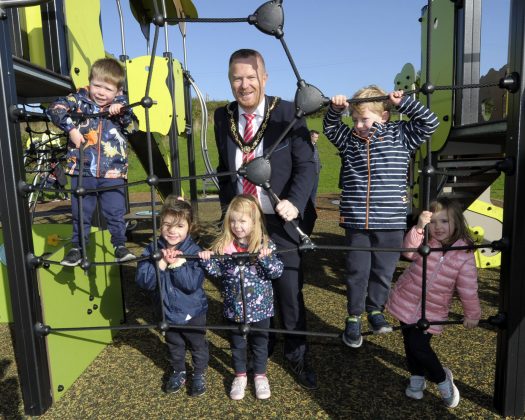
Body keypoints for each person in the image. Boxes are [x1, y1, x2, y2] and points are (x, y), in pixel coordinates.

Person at [213, 48, 318, 389]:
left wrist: (295, 202)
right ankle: (265, 340)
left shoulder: (288, 112)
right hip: (244, 220)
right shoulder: (222, 117)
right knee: (247, 285)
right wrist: (226, 213)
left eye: (250, 76)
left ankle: (298, 352)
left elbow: (306, 165)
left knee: (288, 289)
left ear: (265, 77)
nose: (243, 85)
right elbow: (224, 168)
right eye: (236, 78)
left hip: (281, 217)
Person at [323, 85, 439, 348]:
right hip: (357, 221)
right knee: (356, 270)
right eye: (355, 119)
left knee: (383, 271)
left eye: (365, 119)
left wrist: (403, 103)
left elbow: (430, 123)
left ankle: (375, 309)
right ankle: (353, 316)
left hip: (390, 220)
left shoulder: (401, 135)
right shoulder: (350, 139)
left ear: (384, 116)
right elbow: (330, 128)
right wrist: (335, 110)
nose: (359, 124)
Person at [386, 197, 481, 408]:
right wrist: (419, 227)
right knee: (409, 344)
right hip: (406, 299)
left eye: (445, 222)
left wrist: (472, 314)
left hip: (432, 309)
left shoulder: (463, 253)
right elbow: (409, 253)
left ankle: (442, 379)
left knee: (419, 345)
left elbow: (468, 288)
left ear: (457, 222)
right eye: (434, 221)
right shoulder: (428, 241)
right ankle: (416, 378)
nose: (438, 227)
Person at [47, 57, 136, 266]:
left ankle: (120, 246)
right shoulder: (78, 100)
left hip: (112, 172)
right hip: (83, 170)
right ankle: (78, 248)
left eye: (108, 89)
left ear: (118, 90)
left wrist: (120, 109)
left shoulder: (122, 106)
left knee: (115, 211)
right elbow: (55, 108)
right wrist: (71, 129)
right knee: (81, 212)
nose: (101, 92)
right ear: (89, 82)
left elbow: (131, 126)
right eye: (97, 85)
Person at [199, 194, 283, 400]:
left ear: (254, 222)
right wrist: (208, 259)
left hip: (261, 308)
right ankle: (240, 375)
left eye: (242, 221)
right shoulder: (224, 246)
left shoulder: (265, 245)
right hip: (234, 307)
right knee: (237, 343)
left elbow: (276, 272)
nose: (237, 226)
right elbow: (218, 272)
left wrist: (265, 259)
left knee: (260, 343)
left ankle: (260, 376)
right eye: (233, 221)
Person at [136, 198, 209, 397]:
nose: (172, 230)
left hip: (192, 312)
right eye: (167, 224)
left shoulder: (194, 252)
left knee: (197, 345)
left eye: (179, 226)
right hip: (166, 311)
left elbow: (191, 284)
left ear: (189, 227)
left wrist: (177, 264)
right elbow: (144, 282)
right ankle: (179, 371)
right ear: (160, 225)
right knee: (174, 345)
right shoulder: (152, 249)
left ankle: (199, 373)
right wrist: (159, 265)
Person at [309, 130, 322, 206]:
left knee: (314, 189)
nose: (317, 139)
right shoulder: (307, 146)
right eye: (316, 137)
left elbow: (316, 157)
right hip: (311, 172)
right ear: (311, 136)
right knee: (309, 189)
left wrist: (319, 165)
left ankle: (312, 204)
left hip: (316, 171)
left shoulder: (315, 145)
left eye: (317, 137)